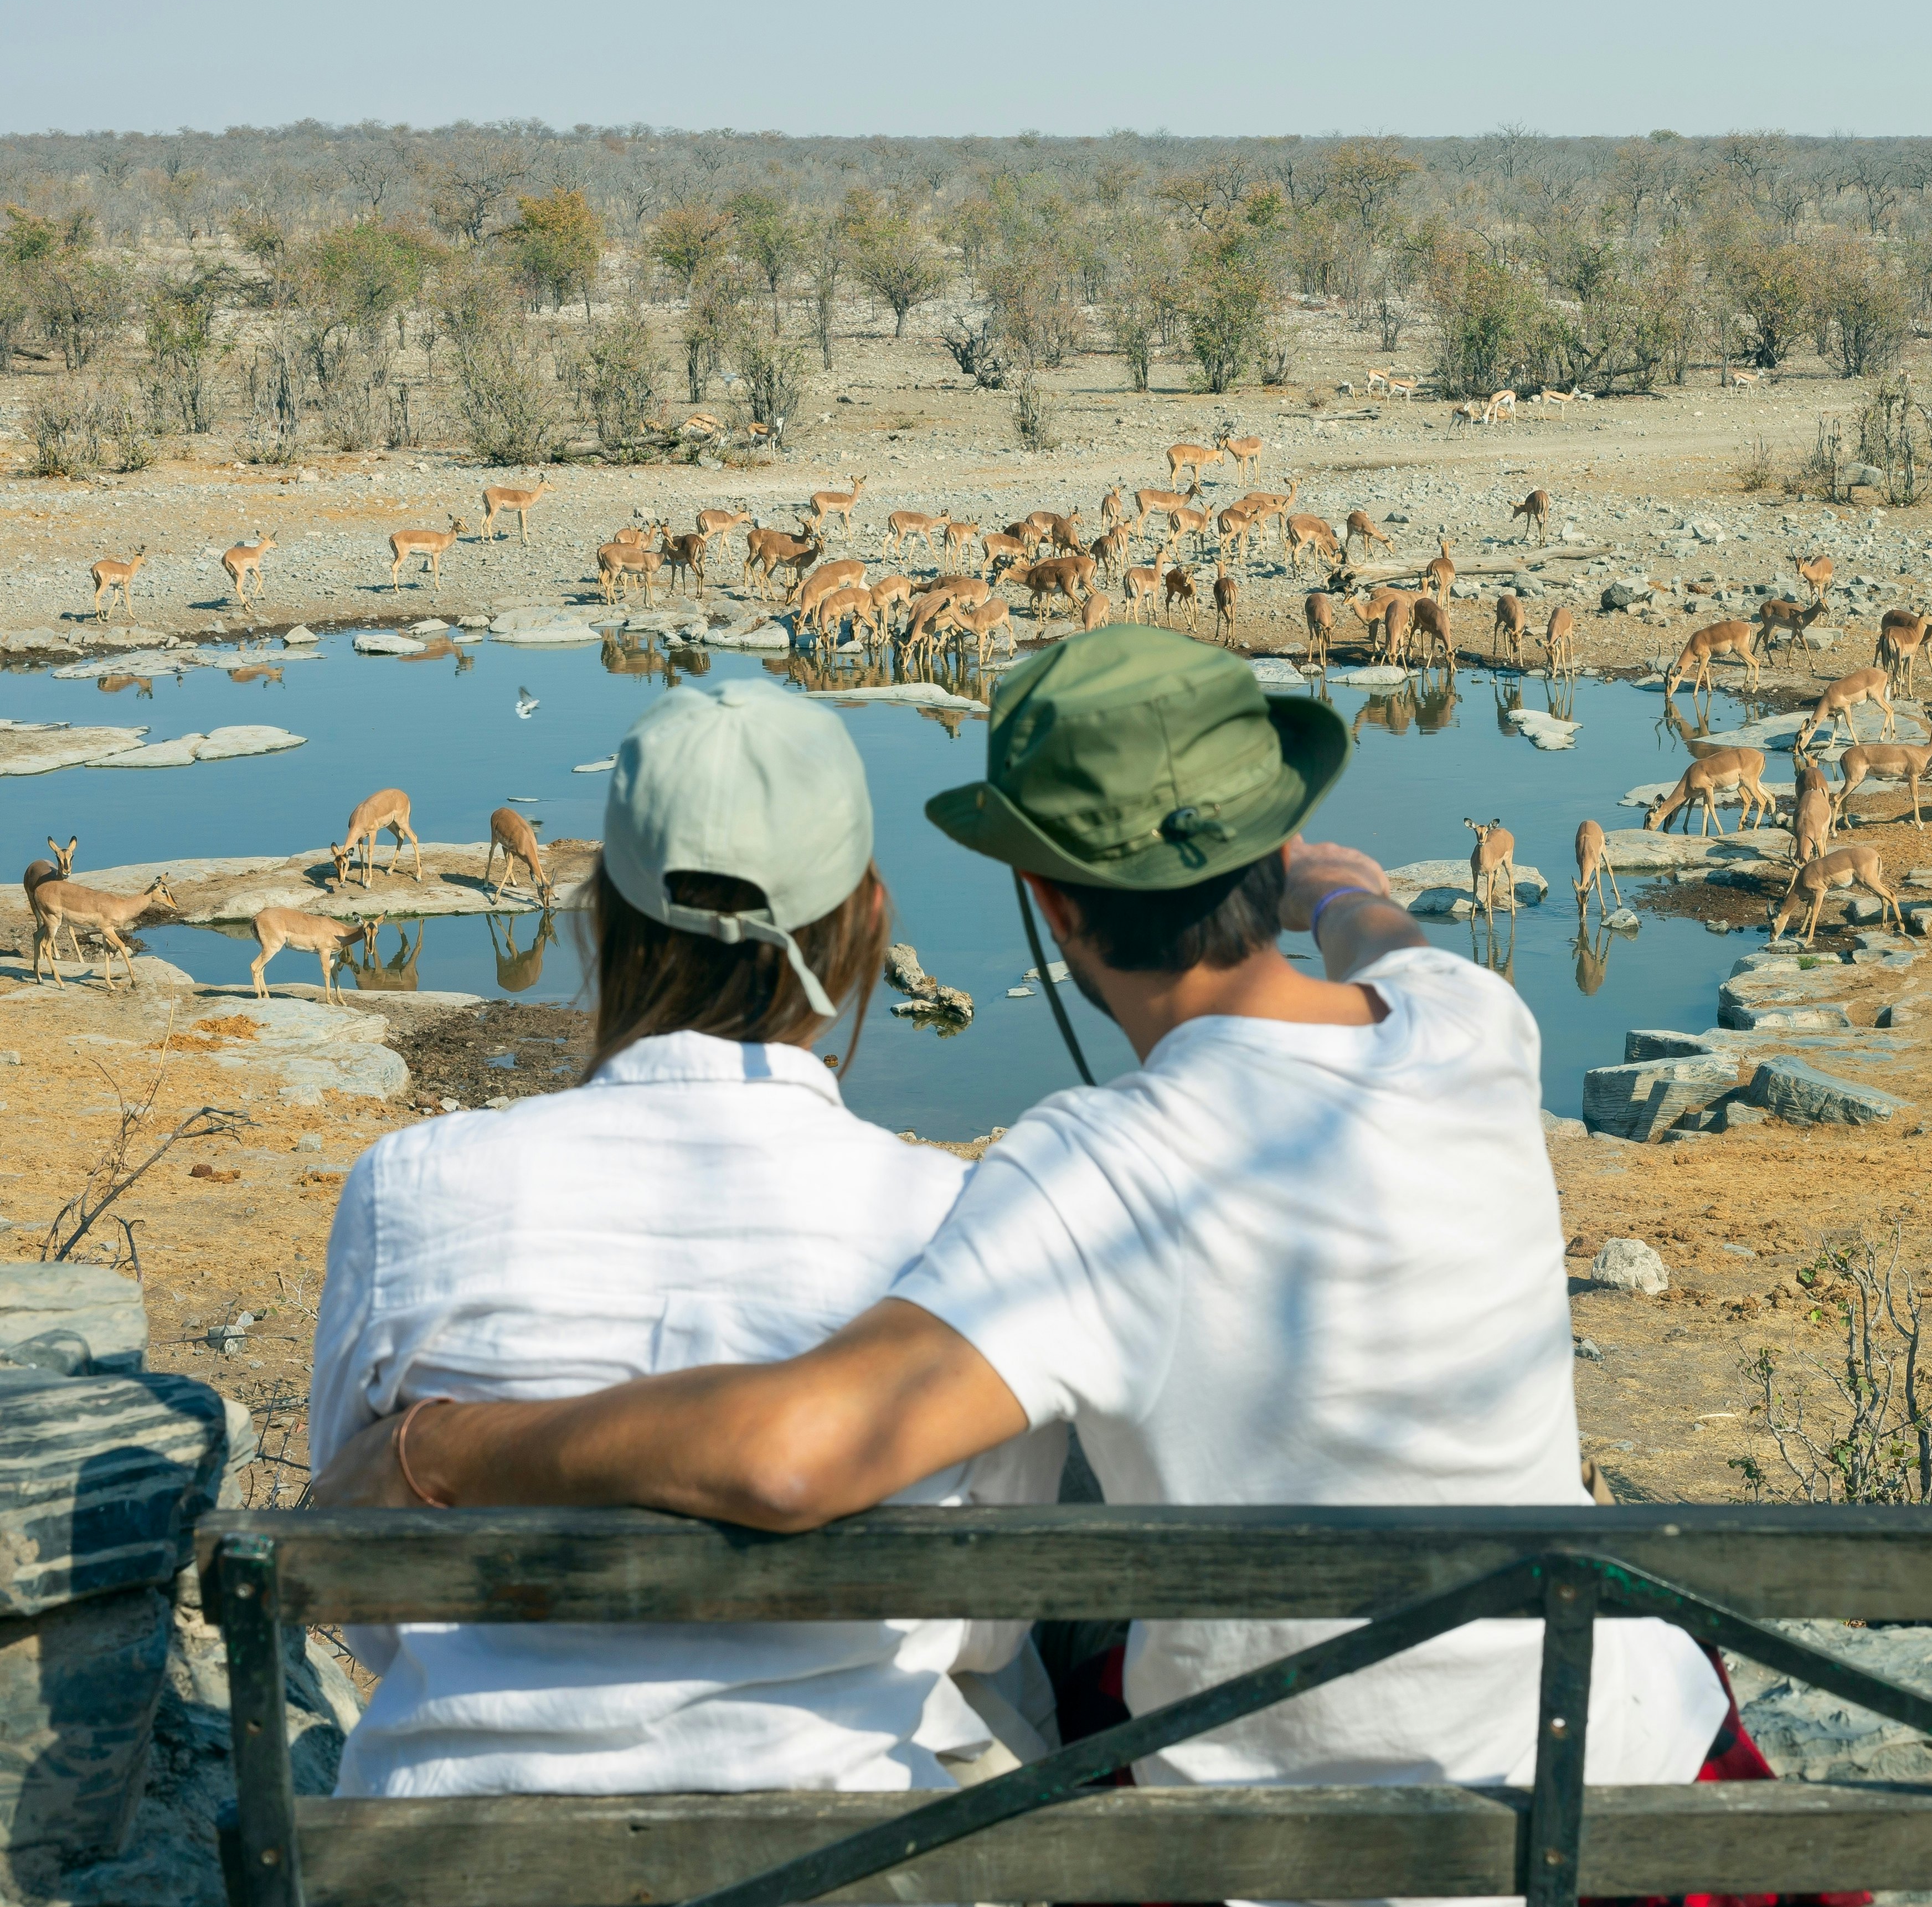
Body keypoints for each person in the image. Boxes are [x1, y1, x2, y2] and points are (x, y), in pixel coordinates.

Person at [323, 626, 1725, 1810]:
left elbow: (794, 1456)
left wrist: (442, 1444)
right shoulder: (1474, 1024)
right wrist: (1337, 886)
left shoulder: (1090, 1175)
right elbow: (1386, 942)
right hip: (1610, 1780)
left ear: (1052, 908)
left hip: (1295, 1849)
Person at [307, 678, 1062, 1796]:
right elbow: (984, 1625)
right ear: (864, 918)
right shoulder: (951, 1219)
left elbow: (363, 1588)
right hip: (861, 1841)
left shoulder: (410, 1187)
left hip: (463, 1844)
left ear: (599, 912)